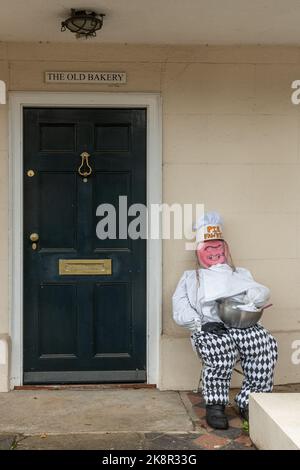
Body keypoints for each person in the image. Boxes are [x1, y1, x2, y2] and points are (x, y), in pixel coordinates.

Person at [172, 211, 278, 430]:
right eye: (208, 248)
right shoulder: (191, 277)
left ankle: (250, 401)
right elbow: (180, 304)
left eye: (218, 247)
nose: (214, 252)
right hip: (209, 328)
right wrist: (197, 323)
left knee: (265, 345)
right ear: (199, 251)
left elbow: (257, 293)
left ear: (225, 249)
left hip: (241, 324)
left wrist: (253, 300)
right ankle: (216, 405)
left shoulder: (240, 273)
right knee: (221, 350)